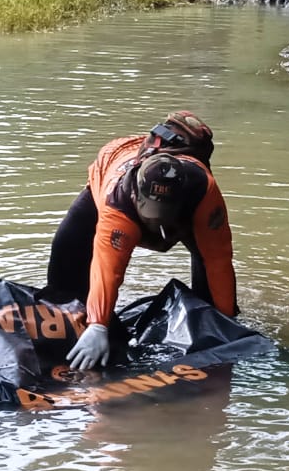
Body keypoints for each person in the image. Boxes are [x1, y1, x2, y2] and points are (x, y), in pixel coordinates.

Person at [45, 111, 238, 371]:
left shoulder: (203, 190)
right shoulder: (118, 203)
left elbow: (218, 261)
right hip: (112, 164)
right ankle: (93, 340)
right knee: (65, 265)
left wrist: (226, 324)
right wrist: (98, 325)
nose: (155, 223)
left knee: (211, 287)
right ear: (137, 195)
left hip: (184, 207)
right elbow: (107, 269)